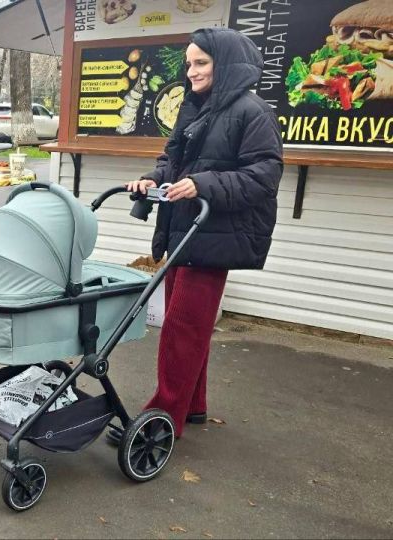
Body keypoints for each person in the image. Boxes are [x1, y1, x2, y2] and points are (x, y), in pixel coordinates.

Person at [112, 28, 283, 442]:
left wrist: (202, 184)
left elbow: (263, 176)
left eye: (201, 62)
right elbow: (171, 161)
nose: (191, 71)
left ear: (227, 64)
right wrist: (152, 179)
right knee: (189, 328)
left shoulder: (253, 111)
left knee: (180, 330)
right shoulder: (196, 106)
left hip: (214, 236)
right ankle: (192, 405)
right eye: (189, 63)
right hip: (185, 231)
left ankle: (161, 418)